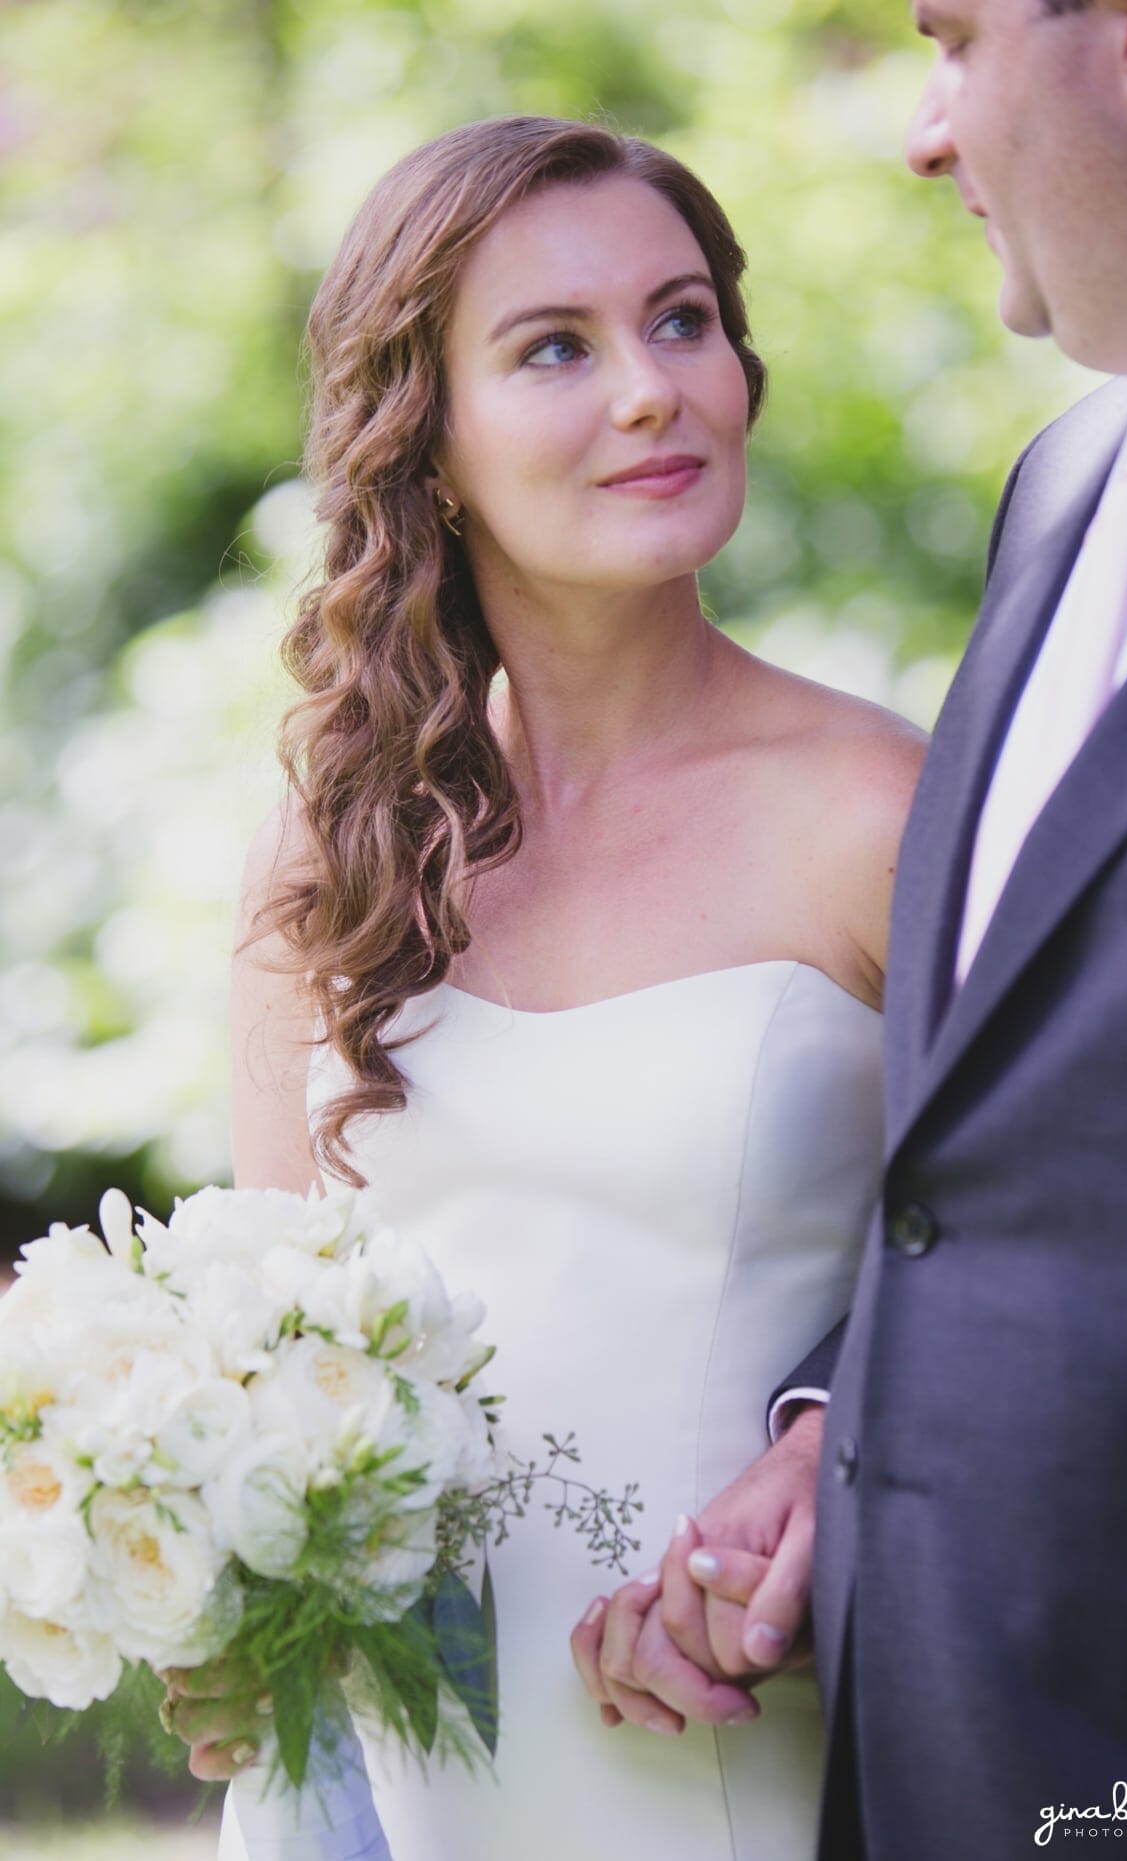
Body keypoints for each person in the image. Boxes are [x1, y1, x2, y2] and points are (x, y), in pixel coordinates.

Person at [163, 117, 924, 1859]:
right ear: (423, 439)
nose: (655, 391)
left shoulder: (886, 814)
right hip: (362, 1773)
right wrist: (210, 1581)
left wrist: (826, 1467)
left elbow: (1043, 1276)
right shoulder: (335, 843)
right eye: (555, 349)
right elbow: (267, 1347)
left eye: (681, 320)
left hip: (717, 1742)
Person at [577, 0, 1127, 1854]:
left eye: (950, 41)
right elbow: (1007, 1162)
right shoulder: (1069, 492)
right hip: (927, 1747)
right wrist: (827, 1431)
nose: (922, 133)